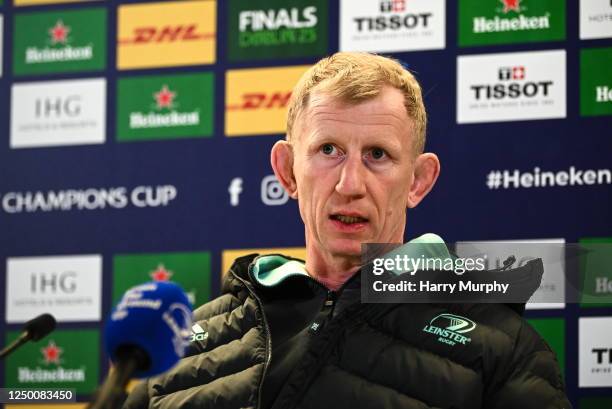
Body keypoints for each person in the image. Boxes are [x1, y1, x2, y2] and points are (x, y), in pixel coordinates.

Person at [123, 52, 571, 409]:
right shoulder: (178, 347)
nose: (350, 184)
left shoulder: (502, 349)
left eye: (377, 154)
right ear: (288, 171)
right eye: (329, 150)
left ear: (417, 180)